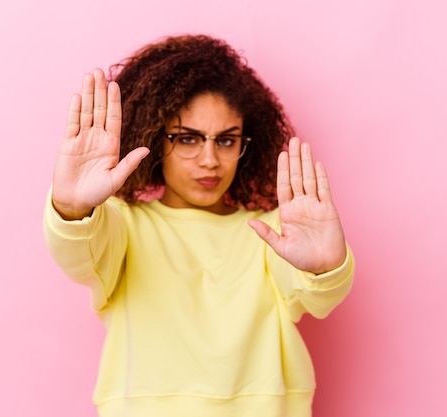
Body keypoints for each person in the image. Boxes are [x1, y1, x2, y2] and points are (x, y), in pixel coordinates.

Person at [43, 34, 354, 417]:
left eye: (226, 140)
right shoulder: (121, 226)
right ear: (155, 139)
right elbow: (77, 251)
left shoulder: (274, 232)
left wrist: (326, 267)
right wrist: (71, 208)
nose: (210, 160)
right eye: (187, 139)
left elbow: (316, 296)